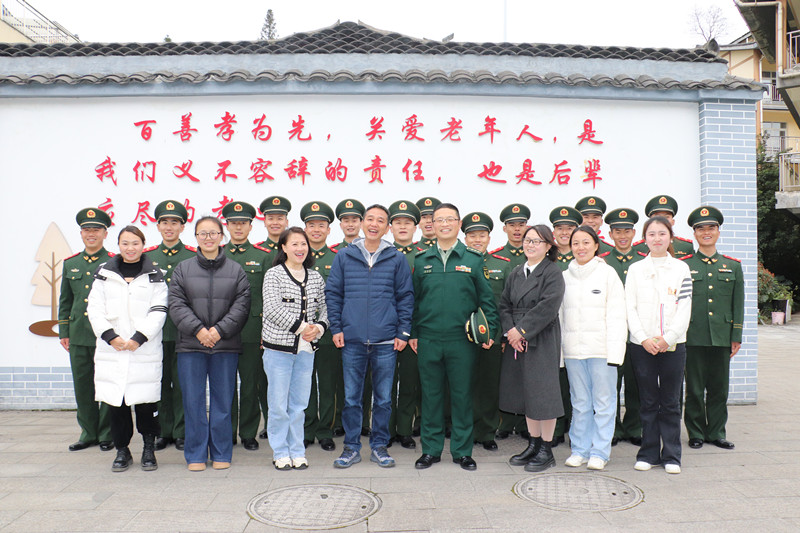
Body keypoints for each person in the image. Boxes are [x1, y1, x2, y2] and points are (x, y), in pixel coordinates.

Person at [410, 203, 499, 471]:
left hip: (463, 341)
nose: (444, 224)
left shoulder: (472, 259)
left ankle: (462, 451)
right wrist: (414, 333)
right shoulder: (422, 260)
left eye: (450, 219)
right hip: (428, 339)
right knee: (431, 396)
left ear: (459, 224)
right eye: (439, 220)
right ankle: (431, 450)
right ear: (432, 226)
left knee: (462, 396)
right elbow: (413, 301)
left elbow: (487, 301)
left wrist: (489, 331)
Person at [327, 204, 414, 468]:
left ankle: (379, 446)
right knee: (352, 399)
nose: (374, 224)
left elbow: (405, 297)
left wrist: (403, 331)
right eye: (370, 219)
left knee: (384, 399)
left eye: (381, 221)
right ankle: (351, 448)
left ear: (387, 227)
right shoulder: (344, 256)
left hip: (386, 341)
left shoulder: (396, 258)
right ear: (363, 223)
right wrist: (336, 328)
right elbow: (333, 294)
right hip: (352, 340)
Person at [169, 216, 250, 471]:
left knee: (222, 402)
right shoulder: (183, 269)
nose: (208, 238)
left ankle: (221, 452)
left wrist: (218, 331)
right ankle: (195, 455)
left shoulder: (236, 270)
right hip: (191, 346)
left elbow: (242, 305)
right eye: (202, 233)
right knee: (192, 401)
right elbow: (176, 304)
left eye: (213, 233)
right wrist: (199, 331)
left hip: (225, 345)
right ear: (195, 237)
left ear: (221, 236)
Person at [87, 225, 168, 472]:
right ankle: (122, 450)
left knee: (146, 403)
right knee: (116, 404)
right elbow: (95, 309)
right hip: (113, 350)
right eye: (125, 243)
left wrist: (138, 338)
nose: (130, 248)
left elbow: (159, 310)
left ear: (143, 245)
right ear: (118, 245)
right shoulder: (103, 275)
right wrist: (111, 337)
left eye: (135, 243)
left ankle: (148, 449)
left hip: (143, 349)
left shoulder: (156, 275)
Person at [625, 216, 692, 474]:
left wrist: (669, 338)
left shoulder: (681, 269)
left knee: (671, 401)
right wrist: (643, 337)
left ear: (670, 238)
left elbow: (684, 308)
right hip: (642, 345)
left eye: (662, 234)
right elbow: (629, 307)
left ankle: (672, 455)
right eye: (651, 234)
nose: (656, 238)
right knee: (648, 400)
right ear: (645, 239)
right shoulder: (635, 269)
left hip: (673, 345)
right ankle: (649, 452)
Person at [499, 225, 566, 472]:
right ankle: (533, 443)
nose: (530, 245)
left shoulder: (552, 272)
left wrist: (522, 330)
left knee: (543, 394)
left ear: (549, 246)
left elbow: (548, 307)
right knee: (526, 392)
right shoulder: (517, 272)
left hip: (541, 338)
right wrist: (510, 332)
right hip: (517, 338)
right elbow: (504, 304)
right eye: (528, 240)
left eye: (537, 241)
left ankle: (547, 449)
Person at [560, 226, 627, 471]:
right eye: (575, 243)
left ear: (596, 245)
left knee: (604, 402)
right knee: (579, 402)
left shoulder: (608, 274)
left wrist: (615, 352)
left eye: (586, 242)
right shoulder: (564, 277)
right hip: (573, 351)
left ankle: (600, 451)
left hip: (602, 352)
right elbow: (559, 317)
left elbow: (618, 316)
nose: (581, 247)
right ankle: (580, 449)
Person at [261, 227, 328, 470]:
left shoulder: (316, 277)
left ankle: (297, 450)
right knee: (278, 404)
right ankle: (280, 451)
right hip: (278, 349)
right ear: (283, 248)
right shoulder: (274, 275)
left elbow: (326, 307)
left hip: (306, 350)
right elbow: (272, 309)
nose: (300, 249)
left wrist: (319, 327)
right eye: (294, 244)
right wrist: (302, 327)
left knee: (299, 404)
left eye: (303, 244)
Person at [682, 206, 744, 450]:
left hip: (721, 336)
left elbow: (737, 303)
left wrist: (736, 334)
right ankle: (696, 432)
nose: (706, 232)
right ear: (694, 234)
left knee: (719, 389)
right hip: (693, 336)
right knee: (695, 390)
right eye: (701, 229)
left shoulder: (733, 266)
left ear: (718, 232)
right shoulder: (684, 266)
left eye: (711, 228)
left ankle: (717, 432)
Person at [58, 207, 114, 452]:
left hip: (106, 335)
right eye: (87, 230)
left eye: (96, 230)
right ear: (81, 233)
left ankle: (106, 433)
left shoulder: (114, 261)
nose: (91, 234)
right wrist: (64, 332)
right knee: (83, 385)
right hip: (79, 334)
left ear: (105, 233)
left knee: (108, 383)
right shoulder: (71, 264)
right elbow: (65, 300)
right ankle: (88, 432)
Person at [145, 200, 196, 452]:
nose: (169, 227)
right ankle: (162, 431)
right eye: (164, 222)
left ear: (182, 226)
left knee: (183, 383)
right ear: (158, 226)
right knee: (159, 382)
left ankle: (182, 430)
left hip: (183, 331)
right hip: (153, 332)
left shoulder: (192, 257)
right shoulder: (146, 258)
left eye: (174, 222)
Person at [221, 201, 271, 452]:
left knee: (251, 384)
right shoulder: (217, 255)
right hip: (222, 332)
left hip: (252, 331)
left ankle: (249, 432)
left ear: (251, 226)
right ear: (227, 226)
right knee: (225, 385)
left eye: (243, 223)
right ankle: (227, 432)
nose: (238, 227)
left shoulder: (262, 257)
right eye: (233, 223)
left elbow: (268, 296)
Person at [461, 212, 511, 452]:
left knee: (490, 387)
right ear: (465, 238)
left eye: (482, 235)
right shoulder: (459, 264)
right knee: (465, 385)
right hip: (463, 337)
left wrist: (500, 335)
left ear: (489, 238)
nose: (477, 240)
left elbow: (507, 304)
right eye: (472, 236)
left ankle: (487, 431)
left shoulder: (501, 265)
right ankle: (466, 429)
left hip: (492, 337)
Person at [600, 208, 644, 447]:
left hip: (637, 334)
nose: (623, 235)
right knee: (611, 384)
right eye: (618, 231)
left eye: (627, 230)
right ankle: (614, 428)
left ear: (634, 232)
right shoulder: (603, 260)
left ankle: (634, 427)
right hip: (612, 333)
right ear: (611, 233)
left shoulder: (644, 259)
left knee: (637, 383)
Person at [301, 201, 340, 451]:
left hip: (327, 334)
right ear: (304, 229)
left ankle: (325, 430)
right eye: (311, 225)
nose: (316, 230)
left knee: (328, 384)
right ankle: (306, 429)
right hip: (301, 334)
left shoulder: (338, 258)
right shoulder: (295, 258)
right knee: (304, 383)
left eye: (321, 225)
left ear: (328, 230)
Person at [330, 198, 370, 439]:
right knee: (339, 380)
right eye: (346, 219)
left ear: (362, 223)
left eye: (355, 219)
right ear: (340, 224)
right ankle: (338, 421)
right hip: (338, 325)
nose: (351, 223)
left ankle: (364, 421)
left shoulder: (374, 252)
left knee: (368, 379)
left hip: (366, 327)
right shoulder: (336, 253)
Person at [491, 203, 531, 441]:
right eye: (512, 225)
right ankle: (505, 423)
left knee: (529, 377)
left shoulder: (537, 256)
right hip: (505, 330)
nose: (517, 229)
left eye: (521, 224)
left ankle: (527, 423)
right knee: (506, 378)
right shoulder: (496, 258)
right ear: (504, 228)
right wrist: (504, 333)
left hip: (531, 330)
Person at [387, 200, 423, 449]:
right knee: (385, 385)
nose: (402, 227)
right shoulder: (382, 254)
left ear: (415, 227)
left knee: (409, 383)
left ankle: (404, 430)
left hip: (413, 331)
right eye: (398, 222)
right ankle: (386, 430)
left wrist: (415, 331)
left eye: (407, 223)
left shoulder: (423, 256)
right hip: (386, 330)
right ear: (390, 228)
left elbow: (424, 297)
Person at [255, 195, 292, 439]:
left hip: (297, 331)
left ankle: (295, 427)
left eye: (280, 218)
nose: (275, 222)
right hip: (265, 331)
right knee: (264, 383)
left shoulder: (297, 250)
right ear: (264, 221)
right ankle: (271, 425)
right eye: (271, 218)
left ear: (287, 220)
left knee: (295, 384)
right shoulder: (259, 253)